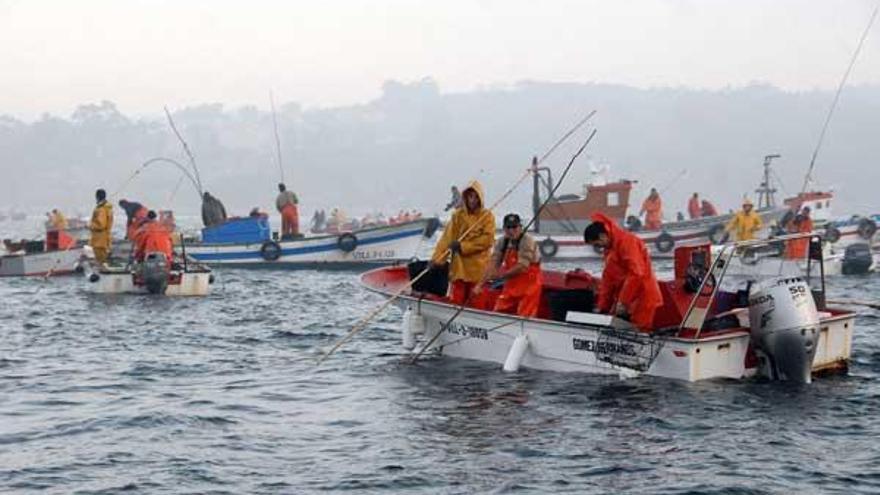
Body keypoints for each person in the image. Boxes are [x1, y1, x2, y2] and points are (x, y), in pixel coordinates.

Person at [583, 213, 663, 331]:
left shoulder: (627, 242)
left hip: (642, 297)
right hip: (627, 300)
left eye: (597, 244)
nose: (598, 248)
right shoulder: (610, 250)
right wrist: (603, 307)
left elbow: (636, 273)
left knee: (639, 333)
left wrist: (623, 302)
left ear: (602, 236)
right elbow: (608, 281)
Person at [431, 180, 496, 305]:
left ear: (480, 198)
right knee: (456, 302)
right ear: (465, 197)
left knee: (477, 304)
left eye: (476, 197)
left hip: (479, 271)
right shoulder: (457, 216)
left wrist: (463, 246)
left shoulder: (487, 217)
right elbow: (446, 240)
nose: (473, 200)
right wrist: (436, 260)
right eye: (470, 196)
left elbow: (487, 240)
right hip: (459, 270)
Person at [475, 213, 542, 317]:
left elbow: (522, 266)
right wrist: (480, 285)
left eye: (514, 227)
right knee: (499, 311)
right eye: (508, 227)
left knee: (525, 315)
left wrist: (501, 276)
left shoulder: (527, 240)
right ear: (504, 228)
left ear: (520, 227)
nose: (511, 231)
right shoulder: (502, 241)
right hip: (511, 284)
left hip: (529, 285)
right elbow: (493, 264)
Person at [89, 189, 114, 264]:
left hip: (99, 241)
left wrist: (90, 225)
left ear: (97, 197)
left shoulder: (101, 209)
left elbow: (101, 225)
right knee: (103, 261)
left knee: (101, 261)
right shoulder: (106, 208)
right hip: (103, 239)